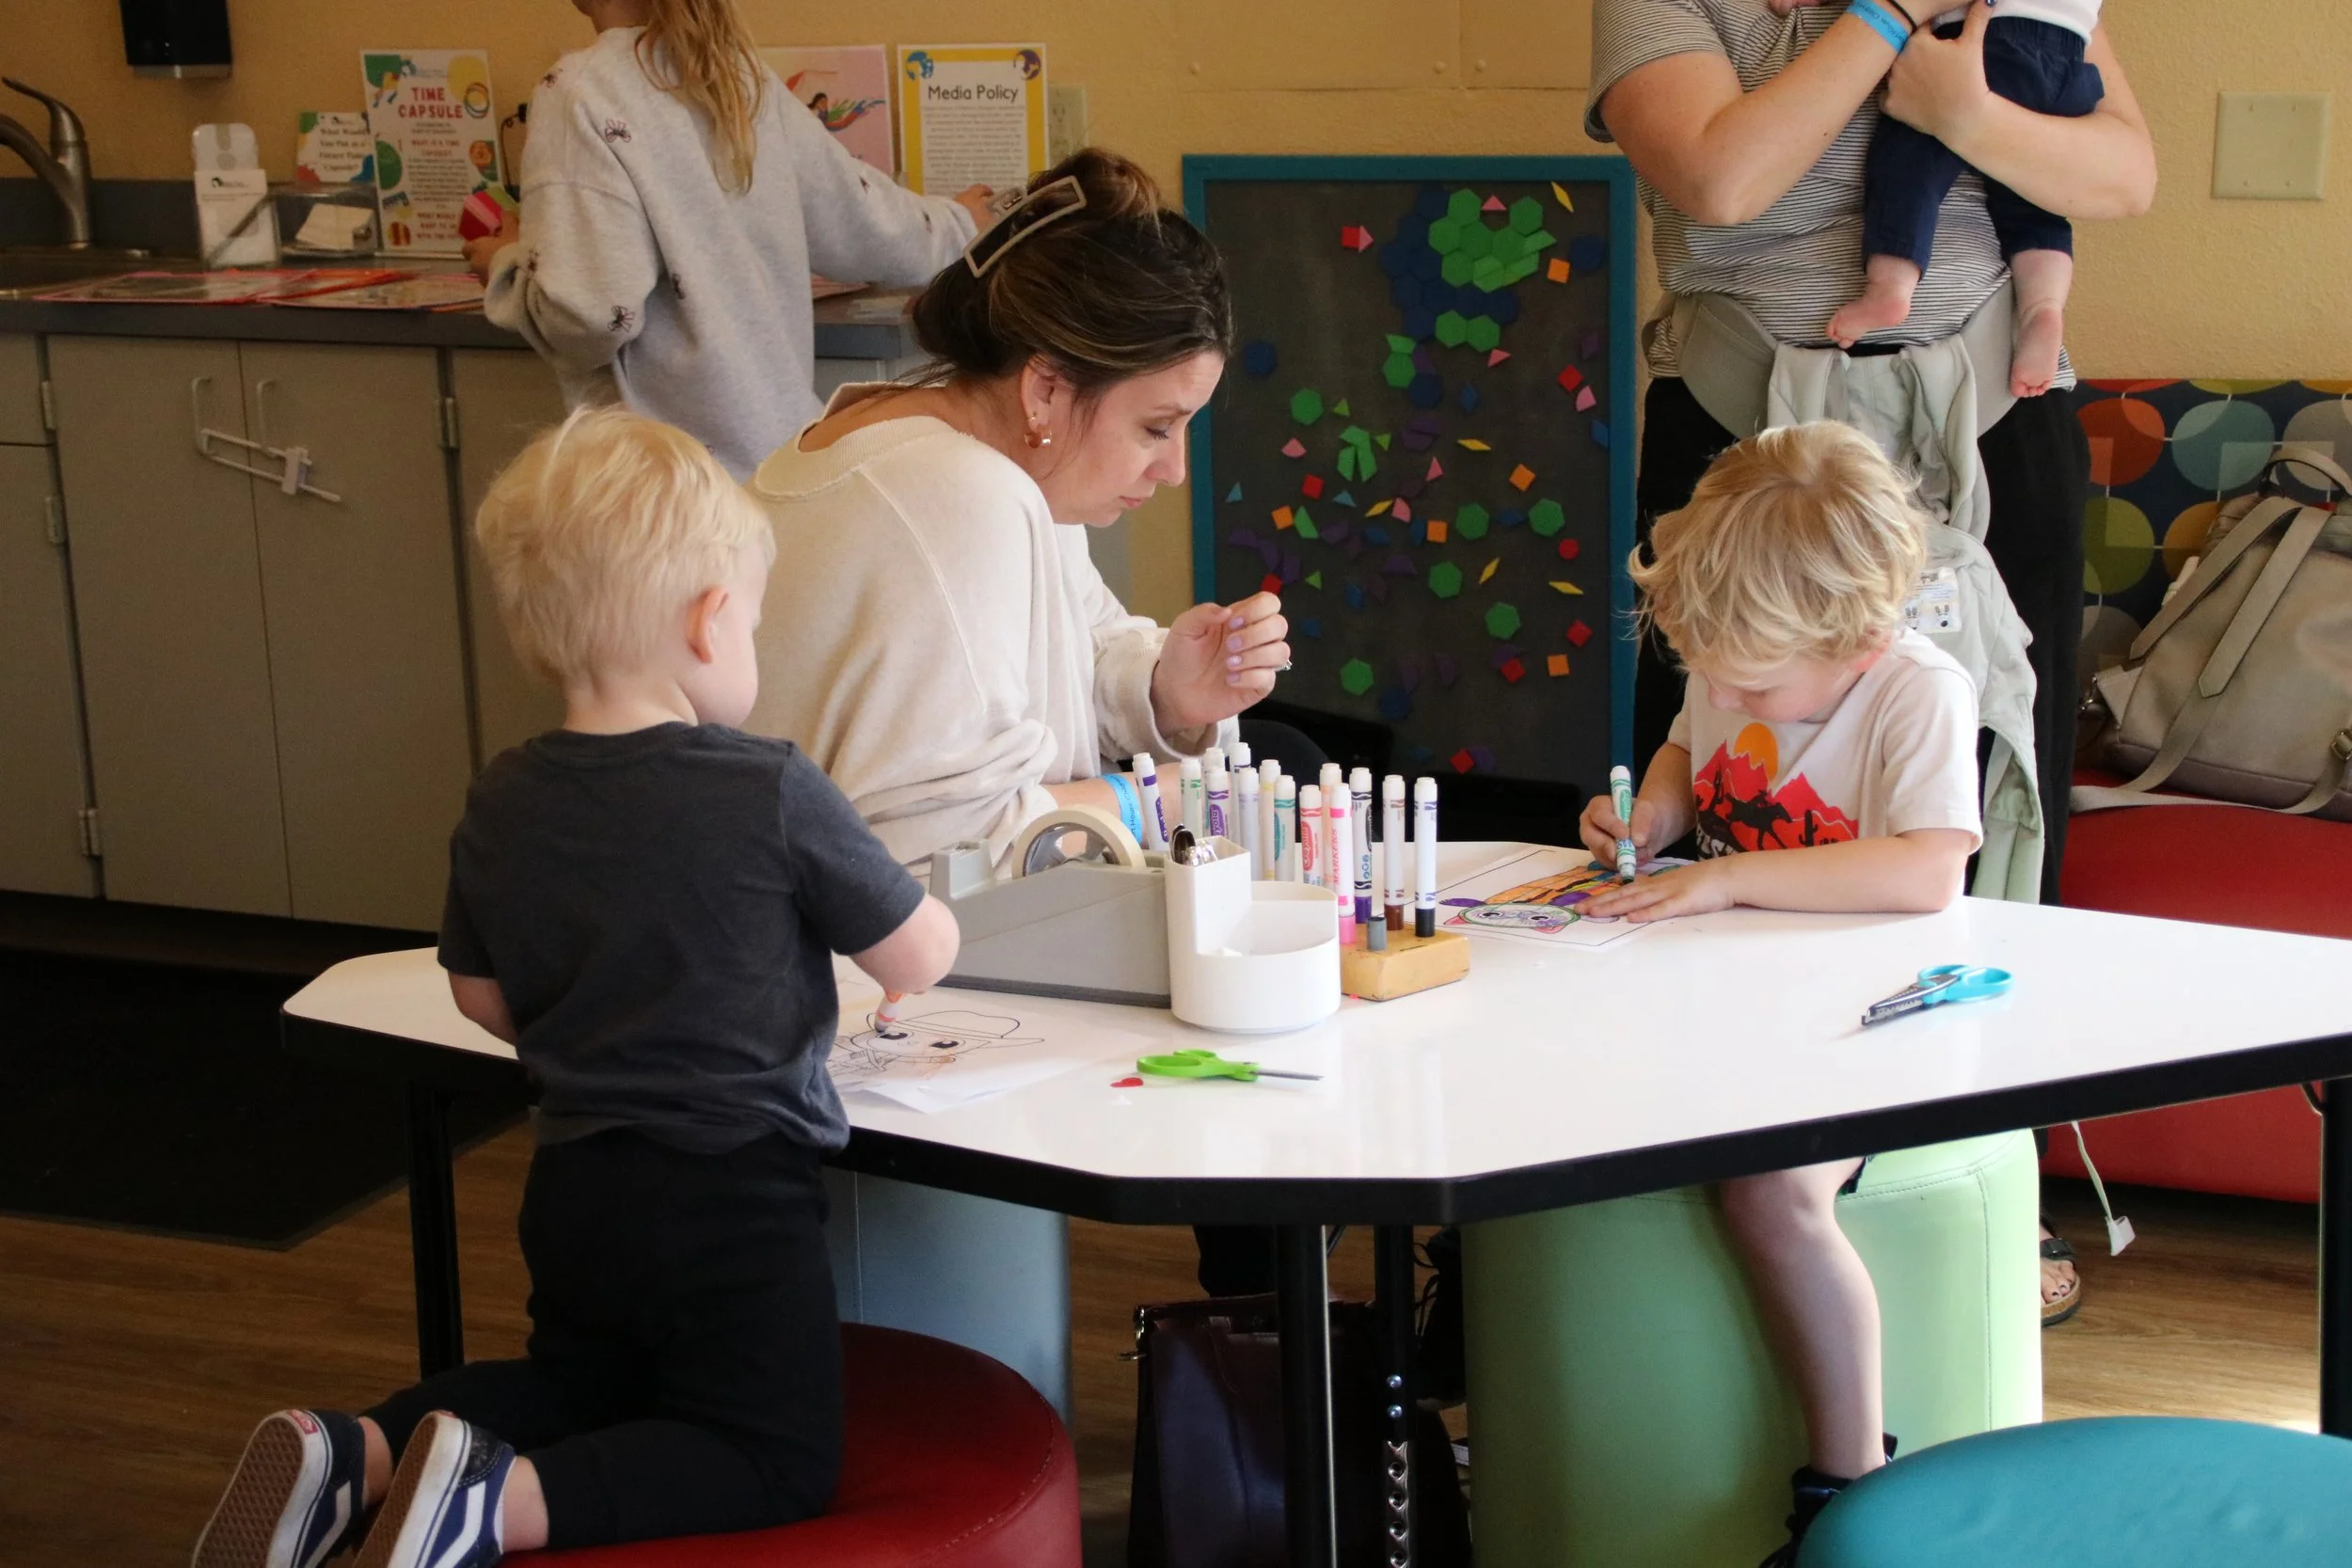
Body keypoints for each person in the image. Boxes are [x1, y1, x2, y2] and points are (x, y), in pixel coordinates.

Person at [189, 408, 961, 1568]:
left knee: (581, 1378)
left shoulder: (503, 797)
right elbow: (918, 955)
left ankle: (364, 1447)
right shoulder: (767, 787)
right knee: (771, 1451)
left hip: (576, 1182)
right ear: (711, 621)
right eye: (751, 617)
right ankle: (489, 1511)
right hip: (731, 1197)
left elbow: (478, 996)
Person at [1591, 0, 2153, 1316]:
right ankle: (1710, 1128)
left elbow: (2123, 172)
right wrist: (1892, 20)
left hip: (1991, 416)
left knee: (1998, 795)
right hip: (1751, 426)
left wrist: (1968, 114)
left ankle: (1982, 1162)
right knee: (1720, 751)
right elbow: (1722, 175)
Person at [745, 147, 1294, 1296]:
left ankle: (1253, 1319)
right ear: (1048, 388)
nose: (1173, 470)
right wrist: (1157, 797)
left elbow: (1068, 648)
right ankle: (1258, 1331)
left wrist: (1165, 692)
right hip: (864, 1011)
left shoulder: (895, 434)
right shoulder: (966, 491)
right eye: (1155, 426)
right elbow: (943, 859)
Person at [1578, 422, 1981, 1564]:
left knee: (1769, 1191)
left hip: (1870, 1020)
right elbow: (1679, 751)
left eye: (1748, 678)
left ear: (1859, 636)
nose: (1718, 689)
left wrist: (1725, 877)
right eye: (1703, 666)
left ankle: (1847, 1478)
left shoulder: (1915, 691)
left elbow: (1925, 867)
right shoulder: (1732, 659)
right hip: (1724, 1001)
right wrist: (1650, 816)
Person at [464, 0, 991, 478]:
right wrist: (960, 223)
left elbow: (587, 316)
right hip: (780, 468)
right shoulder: (740, 79)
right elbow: (866, 218)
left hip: (663, 492)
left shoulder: (578, 92)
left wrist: (508, 266)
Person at [1788, 0, 2108, 397]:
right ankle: (2042, 306)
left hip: (1989, 42)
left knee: (1908, 156)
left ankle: (1891, 287)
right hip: (2070, 61)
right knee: (2033, 200)